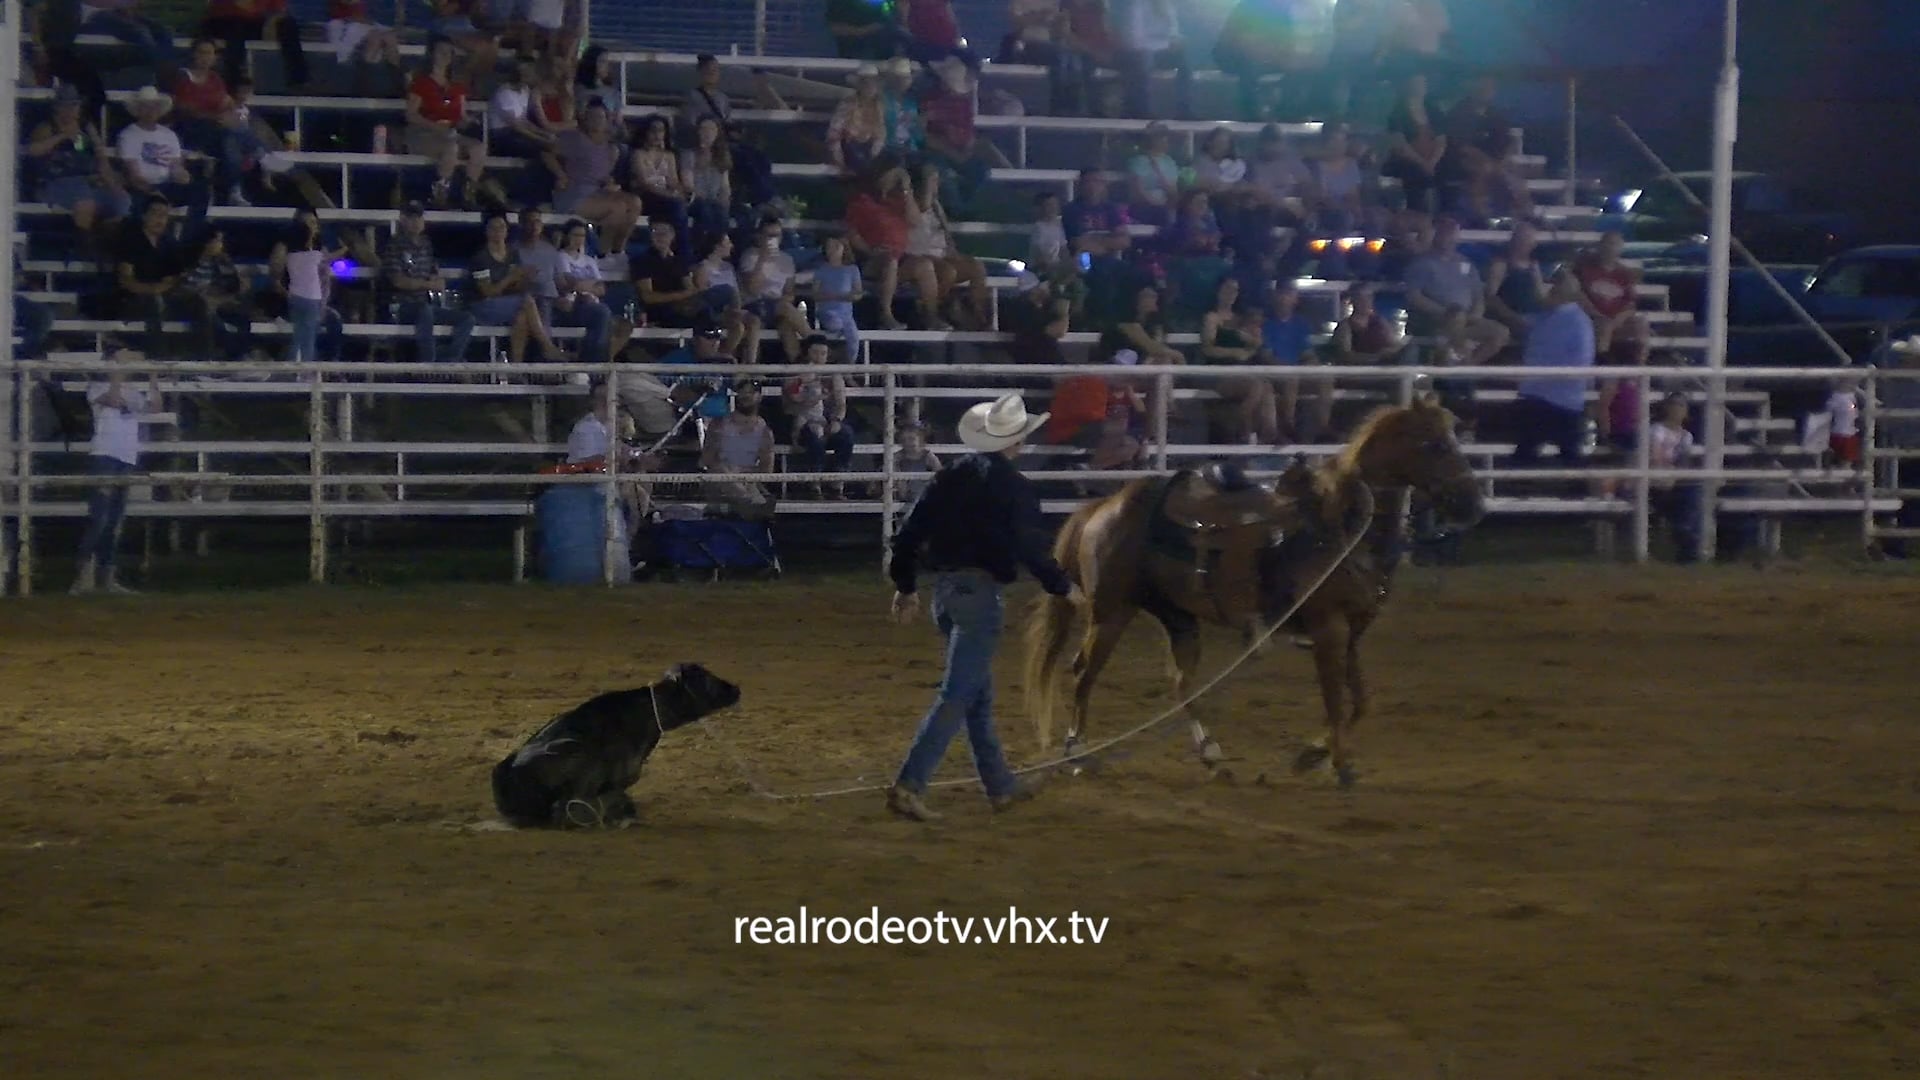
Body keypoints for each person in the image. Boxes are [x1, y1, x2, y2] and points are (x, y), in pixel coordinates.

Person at [885, 392, 1074, 822]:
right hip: (980, 597)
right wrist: (1063, 586)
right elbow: (1030, 546)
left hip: (946, 594)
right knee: (957, 694)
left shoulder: (949, 476)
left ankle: (1000, 786)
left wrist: (905, 585)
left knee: (975, 694)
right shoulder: (1015, 488)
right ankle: (910, 783)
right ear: (1018, 442)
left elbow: (910, 532)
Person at [72, 348, 161, 595]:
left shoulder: (131, 391)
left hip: (125, 457)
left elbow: (154, 407)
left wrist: (153, 378)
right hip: (105, 455)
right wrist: (117, 372)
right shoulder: (96, 387)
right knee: (99, 519)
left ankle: (106, 577)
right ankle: (83, 577)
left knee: (114, 521)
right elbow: (112, 399)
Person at [1511, 271, 1597, 466]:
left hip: (1561, 400)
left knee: (1568, 456)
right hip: (1536, 396)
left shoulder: (1578, 322)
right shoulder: (1544, 317)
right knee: (1526, 453)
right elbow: (1520, 322)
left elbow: (1580, 363)